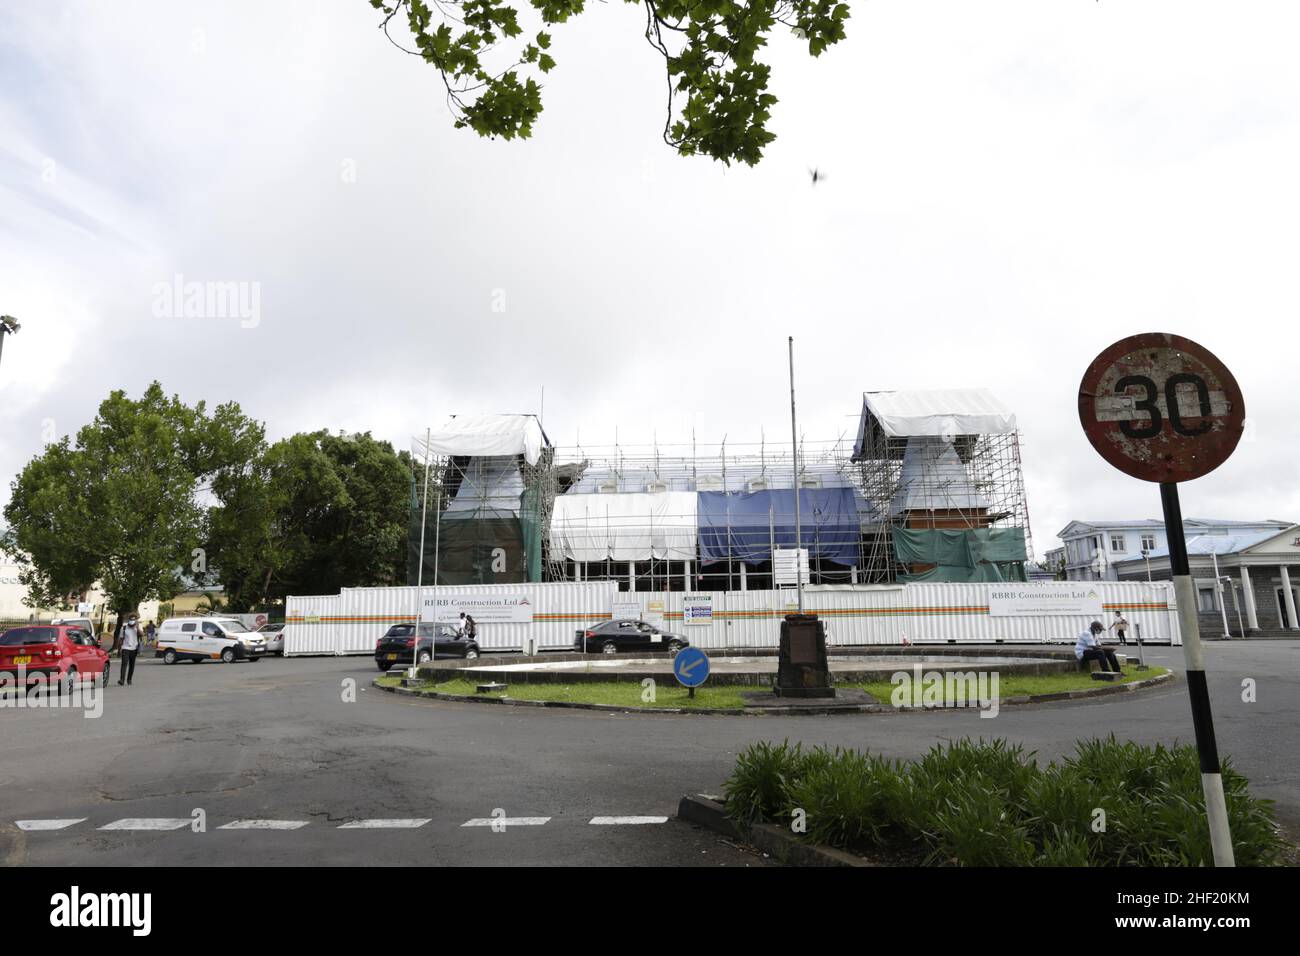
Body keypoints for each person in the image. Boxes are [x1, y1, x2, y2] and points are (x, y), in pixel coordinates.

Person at [118, 615, 141, 686]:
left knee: (132, 665)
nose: (132, 620)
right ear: (128, 620)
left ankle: (129, 679)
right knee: (124, 664)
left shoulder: (137, 627)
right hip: (125, 648)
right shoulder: (124, 628)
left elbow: (142, 634)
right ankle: (122, 680)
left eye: (133, 619)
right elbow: (121, 639)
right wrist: (119, 650)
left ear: (136, 620)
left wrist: (137, 627)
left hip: (134, 648)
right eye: (131, 619)